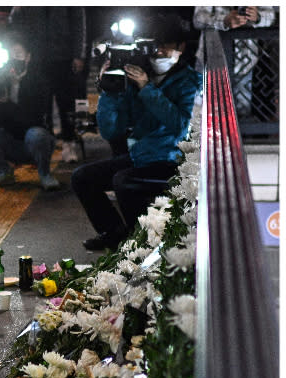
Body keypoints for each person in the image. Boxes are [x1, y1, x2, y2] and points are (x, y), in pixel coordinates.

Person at [71, 14, 203, 251]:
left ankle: (140, 242)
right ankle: (115, 233)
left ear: (181, 47)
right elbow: (112, 130)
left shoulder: (191, 81)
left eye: (166, 46)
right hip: (141, 156)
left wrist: (147, 88)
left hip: (173, 160)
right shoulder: (138, 76)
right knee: (82, 177)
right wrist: (109, 90)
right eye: (155, 46)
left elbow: (180, 125)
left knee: (123, 180)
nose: (160, 51)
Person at [0, 38, 61, 191]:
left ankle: (44, 174)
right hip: (10, 141)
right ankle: (4, 172)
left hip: (36, 141)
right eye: (10, 55)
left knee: (36, 134)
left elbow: (33, 119)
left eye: (18, 54)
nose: (14, 59)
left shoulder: (38, 81)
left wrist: (7, 103)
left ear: (28, 57)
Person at [8, 7, 88, 154]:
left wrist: (78, 54)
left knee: (66, 102)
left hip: (63, 57)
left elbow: (78, 24)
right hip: (36, 57)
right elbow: (15, 21)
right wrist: (20, 46)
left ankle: (69, 141)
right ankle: (46, 140)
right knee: (41, 103)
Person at [193, 6, 276, 118]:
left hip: (245, 60)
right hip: (211, 59)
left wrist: (258, 17)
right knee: (202, 114)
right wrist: (223, 21)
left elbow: (271, 17)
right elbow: (198, 19)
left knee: (241, 115)